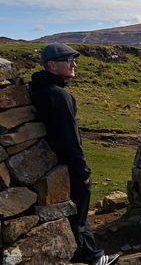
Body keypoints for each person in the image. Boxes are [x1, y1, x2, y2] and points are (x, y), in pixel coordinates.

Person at [29, 43, 119, 265]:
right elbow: (71, 139)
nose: (74, 63)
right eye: (68, 60)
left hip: (44, 167)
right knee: (79, 215)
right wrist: (84, 171)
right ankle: (94, 258)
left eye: (73, 59)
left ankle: (78, 253)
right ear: (51, 65)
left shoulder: (36, 88)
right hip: (68, 167)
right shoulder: (60, 95)